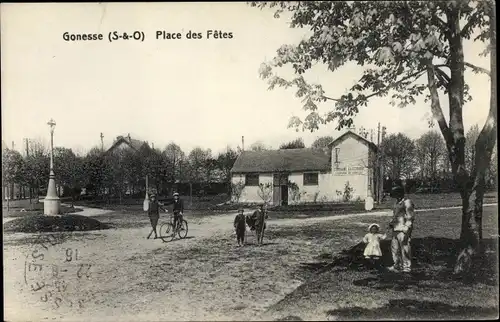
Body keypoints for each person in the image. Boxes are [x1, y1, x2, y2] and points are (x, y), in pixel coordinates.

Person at [387, 183, 415, 273]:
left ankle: (406, 268)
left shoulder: (407, 202)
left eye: (395, 194)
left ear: (400, 193)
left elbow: (410, 216)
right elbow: (396, 215)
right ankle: (397, 265)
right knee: (395, 248)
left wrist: (407, 227)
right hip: (396, 228)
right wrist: (391, 223)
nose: (394, 197)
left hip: (403, 229)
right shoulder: (396, 202)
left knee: (405, 248)